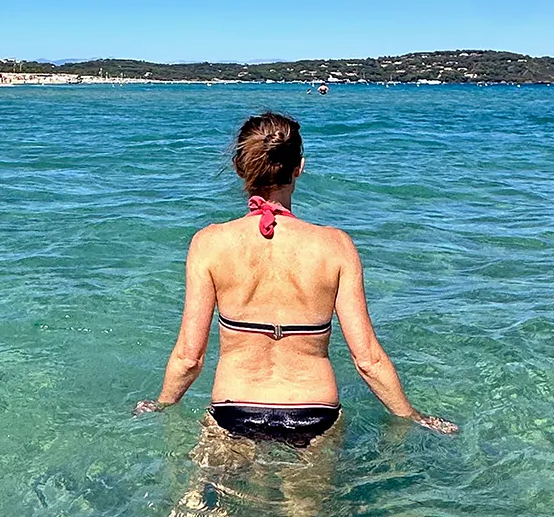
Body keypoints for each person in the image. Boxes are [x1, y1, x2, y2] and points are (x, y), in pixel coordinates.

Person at [135, 111, 456, 444]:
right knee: (309, 498)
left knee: (201, 495)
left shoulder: (209, 243)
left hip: (234, 411)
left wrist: (161, 405)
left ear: (238, 167)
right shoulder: (336, 246)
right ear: (299, 167)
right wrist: (413, 416)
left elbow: (189, 358)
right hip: (315, 414)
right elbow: (368, 359)